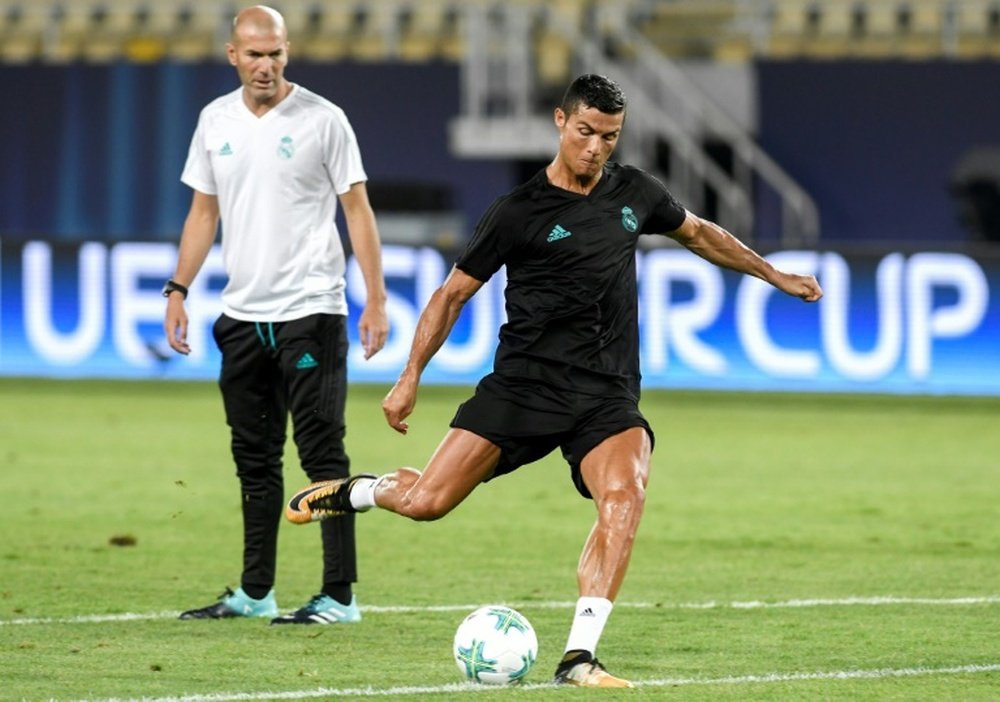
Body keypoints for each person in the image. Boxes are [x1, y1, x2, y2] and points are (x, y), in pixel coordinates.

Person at [285, 74, 822, 682]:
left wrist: (774, 275)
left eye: (610, 137)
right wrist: (409, 378)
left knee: (625, 496)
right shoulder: (518, 212)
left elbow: (700, 234)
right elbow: (451, 295)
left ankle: (579, 657)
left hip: (605, 393)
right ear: (561, 123)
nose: (596, 148)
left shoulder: (636, 193)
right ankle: (356, 491)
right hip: (523, 387)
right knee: (425, 502)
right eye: (587, 132)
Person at [163, 5, 388, 625]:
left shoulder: (324, 120)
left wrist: (375, 297)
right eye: (254, 54)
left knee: (322, 454)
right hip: (241, 316)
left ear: (288, 54)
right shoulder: (214, 121)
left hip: (310, 310)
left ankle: (339, 596)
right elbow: (203, 212)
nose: (266, 66)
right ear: (232, 55)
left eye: (276, 54)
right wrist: (178, 288)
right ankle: (256, 591)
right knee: (254, 458)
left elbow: (358, 210)